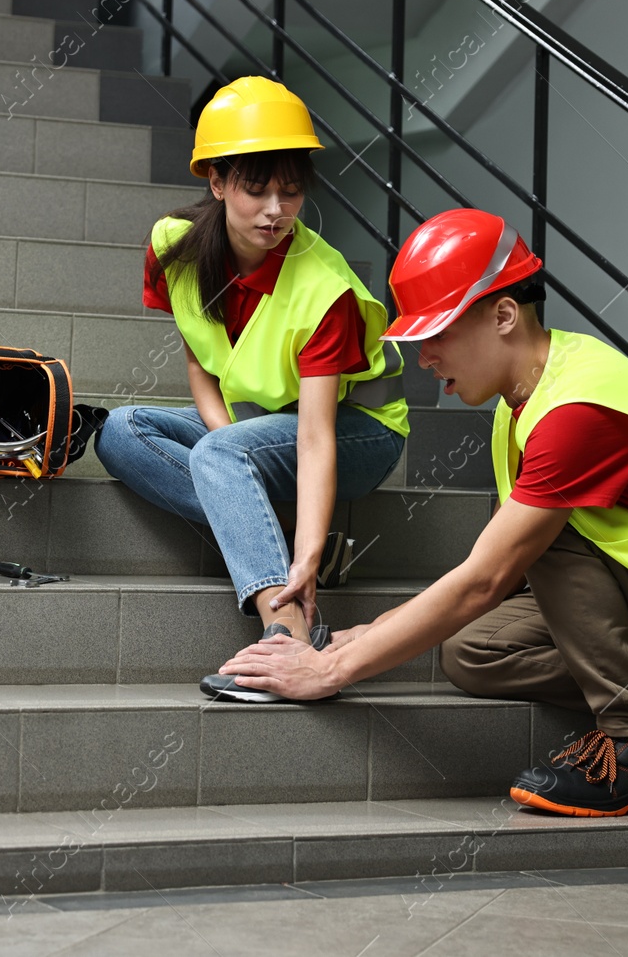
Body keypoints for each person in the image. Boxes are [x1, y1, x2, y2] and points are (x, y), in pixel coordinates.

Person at [219, 208, 628, 815]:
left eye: (436, 334)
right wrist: (374, 633)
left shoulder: (577, 413)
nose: (424, 356)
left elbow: (489, 573)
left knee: (542, 535)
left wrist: (332, 667)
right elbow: (491, 581)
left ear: (505, 314)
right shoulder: (527, 396)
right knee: (473, 652)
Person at [94, 77, 409, 702]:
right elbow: (201, 365)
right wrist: (229, 446)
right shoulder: (174, 247)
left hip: (357, 436)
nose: (275, 210)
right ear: (217, 182)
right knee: (121, 430)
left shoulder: (323, 288)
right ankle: (266, 527)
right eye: (256, 188)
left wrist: (307, 559)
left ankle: (287, 630)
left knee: (221, 454)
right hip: (263, 433)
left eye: (291, 192)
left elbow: (317, 438)